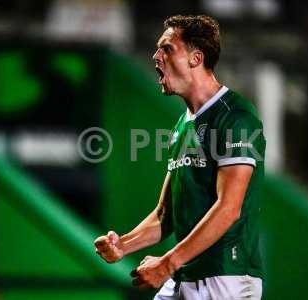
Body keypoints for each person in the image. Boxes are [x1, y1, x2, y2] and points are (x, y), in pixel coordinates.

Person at [94, 15, 265, 300]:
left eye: (167, 48)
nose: (155, 56)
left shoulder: (236, 116)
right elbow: (165, 214)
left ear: (196, 58)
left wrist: (168, 262)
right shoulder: (183, 125)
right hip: (185, 274)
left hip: (226, 279)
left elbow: (229, 208)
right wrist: (123, 245)